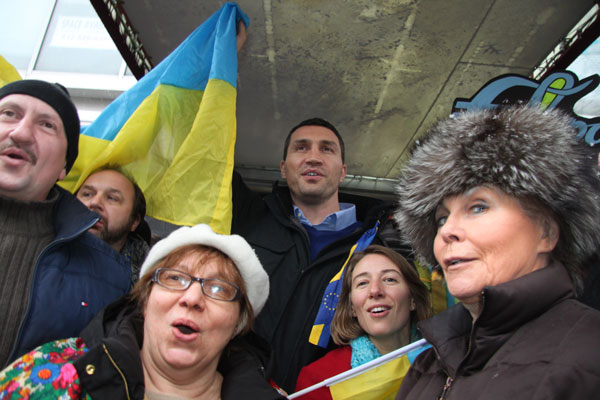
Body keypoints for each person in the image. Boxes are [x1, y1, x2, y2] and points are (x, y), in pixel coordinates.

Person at [393, 105, 600, 399]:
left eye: (478, 207)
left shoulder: (590, 350)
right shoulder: (428, 364)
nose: (447, 230)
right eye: (441, 218)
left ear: (546, 232)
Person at [0, 224, 284, 399]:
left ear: (238, 324)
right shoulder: (47, 371)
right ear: (146, 300)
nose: (192, 298)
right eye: (174, 279)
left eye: (219, 289)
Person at [231, 117, 410, 392]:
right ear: (283, 168)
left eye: (327, 149)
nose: (313, 157)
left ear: (343, 171)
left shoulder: (380, 242)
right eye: (301, 148)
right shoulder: (247, 217)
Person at [0, 79, 131, 367]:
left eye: (47, 125)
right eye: (9, 113)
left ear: (64, 167)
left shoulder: (111, 277)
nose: (20, 133)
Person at [295, 245, 430, 399]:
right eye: (362, 283)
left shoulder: (443, 361)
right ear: (352, 307)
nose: (375, 291)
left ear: (413, 299)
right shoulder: (319, 380)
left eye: (389, 279)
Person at [76, 168, 150, 283]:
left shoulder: (148, 284)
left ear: (134, 221)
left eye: (112, 198)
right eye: (87, 194)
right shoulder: (43, 252)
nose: (95, 202)